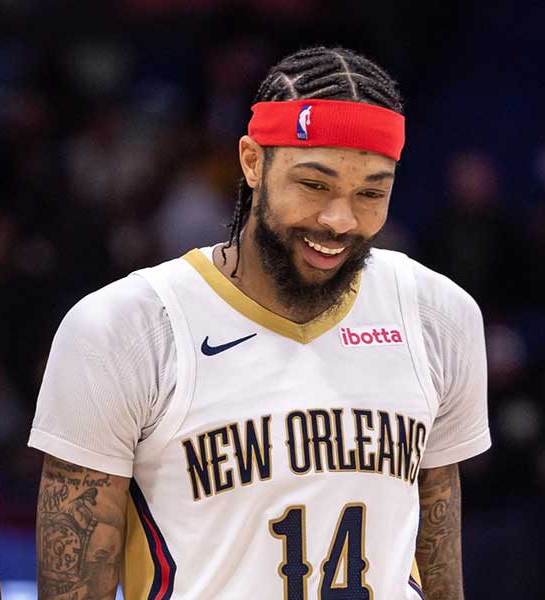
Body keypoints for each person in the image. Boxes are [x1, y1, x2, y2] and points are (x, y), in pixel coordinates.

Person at [30, 46, 490, 600]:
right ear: (252, 162)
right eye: (314, 185)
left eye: (372, 191)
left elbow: (438, 553)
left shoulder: (439, 316)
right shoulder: (125, 328)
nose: (339, 219)